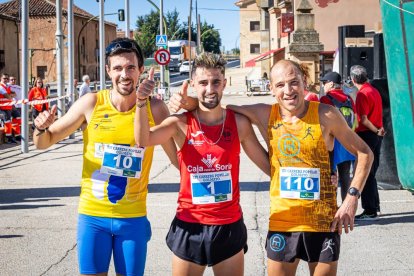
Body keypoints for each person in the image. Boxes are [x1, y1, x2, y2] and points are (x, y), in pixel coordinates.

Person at [169, 59, 373, 275]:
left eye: (294, 82)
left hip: (323, 222)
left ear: (305, 82)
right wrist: (190, 102)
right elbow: (220, 108)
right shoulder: (265, 114)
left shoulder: (326, 114)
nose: (288, 91)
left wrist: (351, 198)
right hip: (283, 223)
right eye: (280, 85)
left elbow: (365, 153)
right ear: (271, 89)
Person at [32, 37, 178, 275]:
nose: (125, 74)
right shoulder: (91, 103)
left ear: (141, 69)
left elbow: (178, 161)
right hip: (92, 217)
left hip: (132, 217)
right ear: (108, 71)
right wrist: (39, 128)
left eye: (131, 67)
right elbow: (44, 142)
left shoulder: (156, 108)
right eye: (118, 68)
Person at [135, 52, 270, 275]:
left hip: (228, 224)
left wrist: (324, 175)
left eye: (216, 82)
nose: (210, 89)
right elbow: (143, 139)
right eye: (203, 83)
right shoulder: (180, 124)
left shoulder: (239, 123)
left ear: (224, 83)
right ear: (194, 85)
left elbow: (269, 166)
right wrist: (141, 102)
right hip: (190, 223)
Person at [351, 65, 385, 220]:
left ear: (353, 79)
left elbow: (363, 120)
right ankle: (374, 207)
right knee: (371, 172)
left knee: (366, 173)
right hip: (377, 134)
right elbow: (378, 113)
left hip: (368, 134)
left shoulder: (362, 94)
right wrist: (379, 129)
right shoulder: (374, 90)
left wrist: (375, 130)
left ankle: (370, 210)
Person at [320, 71, 356, 202]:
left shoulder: (325, 99)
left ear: (330, 84)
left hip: (332, 143)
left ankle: (332, 208)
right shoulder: (348, 98)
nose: (323, 86)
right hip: (347, 141)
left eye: (324, 83)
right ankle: (346, 209)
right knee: (345, 175)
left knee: (332, 175)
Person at [0, 73, 17, 143]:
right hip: (2, 108)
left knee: (8, 122)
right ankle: (9, 138)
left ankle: (10, 137)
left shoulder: (7, 86)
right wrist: (10, 95)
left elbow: (15, 94)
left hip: (8, 107)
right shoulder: (1, 87)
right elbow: (8, 96)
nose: (6, 80)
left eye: (7, 78)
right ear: (1, 78)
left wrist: (10, 95)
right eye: (4, 78)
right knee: (7, 121)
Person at [8, 76, 22, 141]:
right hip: (13, 106)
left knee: (18, 122)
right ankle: (13, 137)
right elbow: (12, 95)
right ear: (9, 80)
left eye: (14, 79)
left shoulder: (18, 87)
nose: (13, 80)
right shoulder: (7, 86)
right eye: (11, 79)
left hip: (20, 106)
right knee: (11, 122)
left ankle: (17, 135)